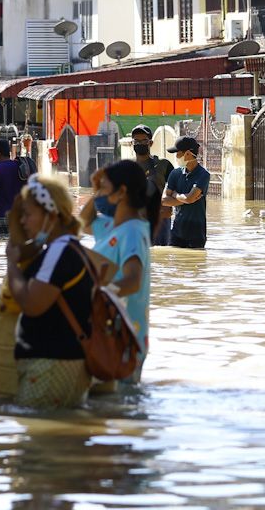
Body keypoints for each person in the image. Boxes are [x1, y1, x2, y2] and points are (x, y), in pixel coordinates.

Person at [7, 174, 96, 408]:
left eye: (28, 214)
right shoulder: (65, 248)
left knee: (37, 440)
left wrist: (11, 265)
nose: (24, 221)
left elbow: (32, 304)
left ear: (51, 215)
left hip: (52, 364)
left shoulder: (59, 251)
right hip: (61, 362)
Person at [87, 159, 154, 380]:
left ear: (122, 192)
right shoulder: (112, 225)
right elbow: (82, 222)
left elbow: (133, 280)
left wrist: (94, 297)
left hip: (123, 339)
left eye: (105, 188)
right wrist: (97, 189)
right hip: (108, 334)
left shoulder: (133, 230)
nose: (101, 194)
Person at [162, 136, 210, 249]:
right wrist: (186, 200)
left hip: (196, 233)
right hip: (176, 232)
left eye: (178, 153)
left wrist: (174, 195)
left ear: (187, 154)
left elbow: (190, 198)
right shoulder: (175, 173)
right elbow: (164, 200)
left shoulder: (203, 175)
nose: (176, 156)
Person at [131, 124, 173, 246]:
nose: (140, 143)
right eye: (136, 141)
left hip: (159, 220)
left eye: (144, 140)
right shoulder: (127, 168)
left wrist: (169, 207)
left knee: (161, 257)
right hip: (136, 221)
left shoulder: (163, 165)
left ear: (151, 143)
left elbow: (175, 190)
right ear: (131, 143)